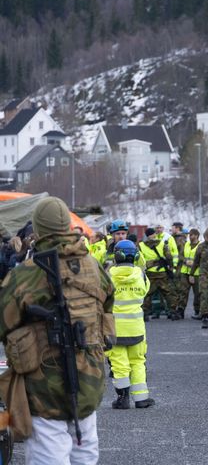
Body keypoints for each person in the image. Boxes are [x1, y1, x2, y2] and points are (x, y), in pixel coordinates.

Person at [0, 197, 115, 465]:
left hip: (44, 386)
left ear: (38, 231)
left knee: (48, 455)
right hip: (90, 378)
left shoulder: (28, 273)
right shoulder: (94, 266)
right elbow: (108, 303)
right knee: (85, 451)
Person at [106, 240, 155, 410]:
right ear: (135, 255)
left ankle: (123, 399)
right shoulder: (141, 275)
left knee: (119, 364)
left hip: (115, 328)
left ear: (116, 256)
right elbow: (145, 290)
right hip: (136, 328)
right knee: (138, 361)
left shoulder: (108, 275)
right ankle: (141, 399)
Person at [136, 228, 179, 320]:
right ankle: (173, 312)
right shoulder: (162, 243)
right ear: (154, 234)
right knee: (168, 293)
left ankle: (144, 314)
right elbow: (169, 257)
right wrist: (171, 267)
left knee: (147, 294)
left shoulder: (141, 245)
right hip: (162, 273)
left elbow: (139, 260)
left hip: (149, 273)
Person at [179, 228, 202, 319]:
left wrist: (195, 263)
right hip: (185, 272)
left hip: (196, 273)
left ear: (196, 235)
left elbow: (203, 258)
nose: (190, 236)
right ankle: (181, 310)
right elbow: (180, 256)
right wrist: (185, 261)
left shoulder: (200, 246)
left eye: (191, 235)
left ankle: (197, 310)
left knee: (197, 293)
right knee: (183, 292)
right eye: (189, 235)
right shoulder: (186, 245)